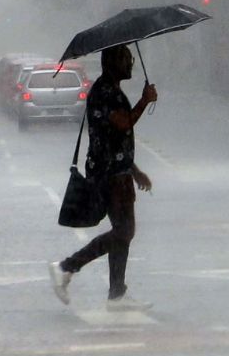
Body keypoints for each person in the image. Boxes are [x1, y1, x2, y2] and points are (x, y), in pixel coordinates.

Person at [49, 44, 158, 311]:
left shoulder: (111, 89)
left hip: (117, 171)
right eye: (126, 59)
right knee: (125, 231)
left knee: (124, 232)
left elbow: (116, 139)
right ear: (111, 62)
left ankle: (117, 294)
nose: (131, 63)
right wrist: (145, 100)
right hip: (109, 175)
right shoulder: (104, 92)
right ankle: (66, 267)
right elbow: (123, 123)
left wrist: (134, 170)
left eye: (131, 59)